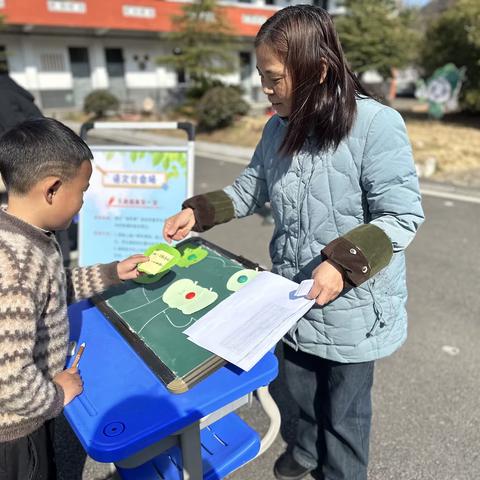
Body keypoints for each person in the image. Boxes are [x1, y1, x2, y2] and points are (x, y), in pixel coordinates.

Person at [163, 5, 424, 480]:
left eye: (274, 77)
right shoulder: (276, 128)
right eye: (261, 76)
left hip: (353, 308)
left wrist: (343, 264)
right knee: (294, 392)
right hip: (289, 297)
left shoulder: (375, 125)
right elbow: (249, 191)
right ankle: (303, 450)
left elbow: (401, 215)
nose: (265, 88)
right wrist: (197, 212)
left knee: (343, 417)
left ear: (318, 69)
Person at [0, 118, 147, 480]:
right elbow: (9, 378)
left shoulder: (23, 234)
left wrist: (113, 272)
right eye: (82, 190)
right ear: (52, 189)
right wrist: (55, 395)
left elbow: (53, 290)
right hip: (17, 432)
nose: (83, 202)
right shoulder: (16, 267)